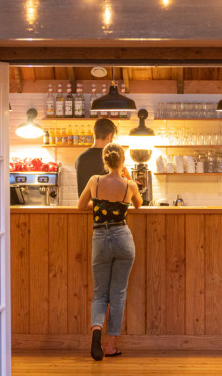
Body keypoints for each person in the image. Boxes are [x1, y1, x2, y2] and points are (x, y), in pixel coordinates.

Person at [78, 143, 142, 361]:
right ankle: (112, 346)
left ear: (104, 160)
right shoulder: (129, 185)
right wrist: (126, 176)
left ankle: (96, 333)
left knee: (99, 293)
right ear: (122, 160)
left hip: (100, 238)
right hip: (123, 239)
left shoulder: (94, 181)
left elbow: (80, 206)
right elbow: (139, 205)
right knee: (118, 294)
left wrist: (99, 206)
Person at [76, 118, 129, 195]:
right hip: (107, 206)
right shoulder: (111, 158)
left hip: (86, 206)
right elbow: (124, 187)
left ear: (94, 134)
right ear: (109, 136)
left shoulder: (80, 158)